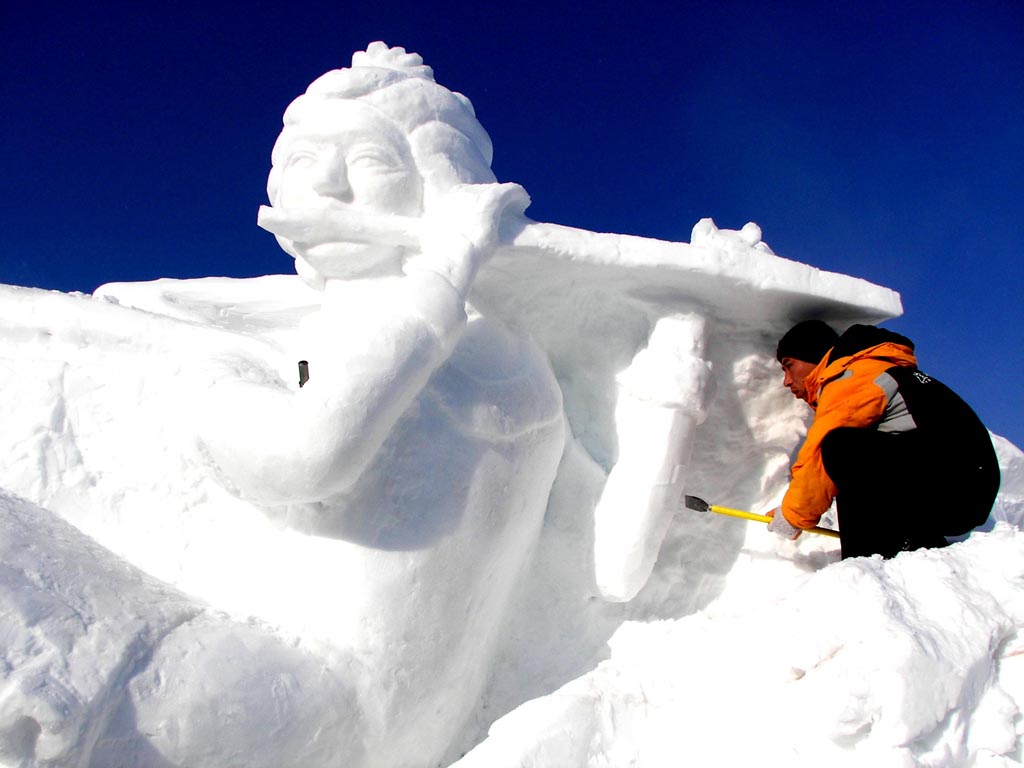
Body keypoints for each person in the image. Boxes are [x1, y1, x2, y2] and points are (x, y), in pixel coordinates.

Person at [767, 319, 1000, 559]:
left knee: (842, 448)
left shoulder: (852, 376)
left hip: (956, 490)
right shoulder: (878, 370)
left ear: (814, 355)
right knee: (857, 455)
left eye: (788, 365)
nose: (786, 380)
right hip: (961, 488)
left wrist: (793, 515)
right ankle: (904, 541)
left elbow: (818, 458)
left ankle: (871, 557)